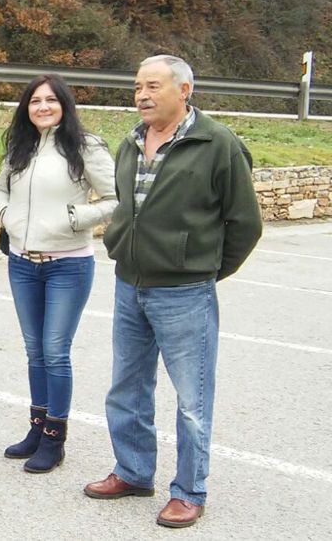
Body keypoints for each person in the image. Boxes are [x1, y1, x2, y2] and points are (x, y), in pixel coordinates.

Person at [84, 55, 262, 529]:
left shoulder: (217, 144)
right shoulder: (130, 142)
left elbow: (244, 223)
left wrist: (199, 270)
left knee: (191, 399)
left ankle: (189, 490)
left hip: (185, 292)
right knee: (127, 388)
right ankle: (134, 471)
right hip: (130, 285)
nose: (142, 94)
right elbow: (127, 208)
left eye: (154, 86)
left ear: (183, 91)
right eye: (138, 86)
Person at [0, 74, 116, 472]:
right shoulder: (19, 147)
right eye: (34, 101)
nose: (42, 107)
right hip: (22, 264)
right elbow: (1, 190)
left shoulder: (85, 146)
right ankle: (36, 426)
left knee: (55, 352)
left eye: (50, 100)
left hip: (68, 263)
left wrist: (78, 217)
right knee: (34, 351)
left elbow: (118, 198)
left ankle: (54, 438)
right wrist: (6, 216)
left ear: (64, 104)